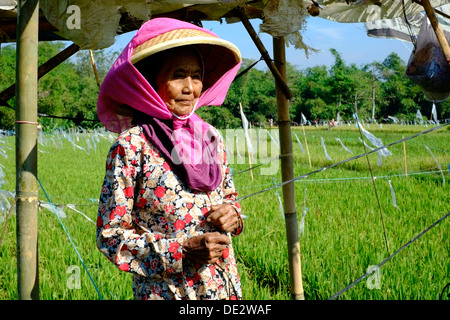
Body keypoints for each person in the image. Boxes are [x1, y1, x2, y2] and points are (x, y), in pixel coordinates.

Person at [96, 18, 245, 300]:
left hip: (222, 286)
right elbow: (110, 236)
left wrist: (233, 215)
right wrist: (183, 250)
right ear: (151, 82)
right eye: (178, 75)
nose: (190, 88)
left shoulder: (210, 136)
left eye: (197, 76)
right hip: (167, 291)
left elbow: (230, 198)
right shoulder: (132, 145)